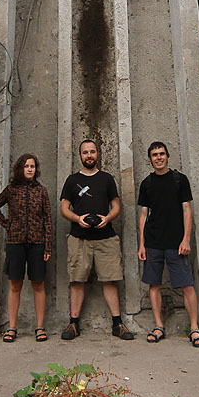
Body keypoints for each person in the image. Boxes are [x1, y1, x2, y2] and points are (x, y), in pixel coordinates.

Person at [59, 139, 135, 340]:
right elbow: (63, 208)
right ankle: (73, 324)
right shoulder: (71, 180)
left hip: (106, 238)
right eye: (85, 152)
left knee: (110, 280)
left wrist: (107, 218)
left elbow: (117, 206)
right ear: (80, 155)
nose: (89, 155)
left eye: (92, 151)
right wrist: (78, 219)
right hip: (78, 238)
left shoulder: (107, 179)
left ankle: (117, 324)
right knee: (77, 281)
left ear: (97, 154)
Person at [137, 141, 199, 347]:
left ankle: (194, 328)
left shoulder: (179, 180)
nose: (158, 157)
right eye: (154, 155)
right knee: (153, 285)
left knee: (187, 285)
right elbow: (143, 214)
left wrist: (186, 239)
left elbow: (187, 210)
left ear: (167, 156)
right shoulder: (146, 183)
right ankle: (158, 326)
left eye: (161, 154)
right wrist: (141, 244)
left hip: (177, 244)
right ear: (150, 159)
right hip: (153, 243)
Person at [0, 153, 52, 342]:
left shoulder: (42, 191)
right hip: (15, 243)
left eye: (32, 166)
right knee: (15, 285)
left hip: (37, 243)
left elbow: (48, 219)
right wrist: (7, 224)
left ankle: (40, 327)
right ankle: (12, 327)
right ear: (20, 169)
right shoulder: (11, 190)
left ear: (36, 169)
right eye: (26, 166)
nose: (30, 169)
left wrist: (48, 246)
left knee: (38, 284)